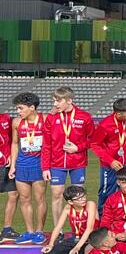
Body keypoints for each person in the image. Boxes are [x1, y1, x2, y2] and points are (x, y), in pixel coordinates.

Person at [43, 86, 94, 227]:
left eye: (58, 101)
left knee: (78, 197)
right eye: (54, 101)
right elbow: (46, 144)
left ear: (69, 100)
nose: (55, 104)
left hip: (78, 163)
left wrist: (78, 148)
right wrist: (45, 167)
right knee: (56, 195)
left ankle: (80, 229)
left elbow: (93, 139)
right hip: (56, 164)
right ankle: (57, 230)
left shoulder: (85, 117)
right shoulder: (51, 119)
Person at [9, 92, 48, 244]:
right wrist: (13, 165)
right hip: (22, 164)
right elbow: (14, 143)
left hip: (39, 164)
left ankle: (39, 231)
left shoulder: (45, 120)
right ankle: (29, 231)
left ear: (32, 107)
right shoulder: (17, 123)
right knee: (25, 199)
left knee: (40, 199)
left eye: (20, 108)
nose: (18, 111)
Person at [90, 98, 126, 210]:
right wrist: (110, 160)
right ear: (118, 114)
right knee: (107, 192)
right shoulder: (105, 125)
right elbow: (95, 144)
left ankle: (125, 218)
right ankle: (103, 221)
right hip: (110, 166)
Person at [0, 109, 19, 243]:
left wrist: (12, 156)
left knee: (14, 194)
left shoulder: (5, 118)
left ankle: (7, 229)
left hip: (7, 165)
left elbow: (12, 140)